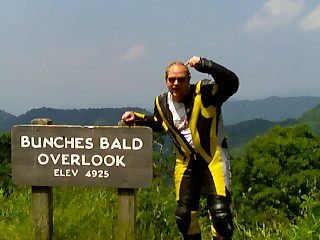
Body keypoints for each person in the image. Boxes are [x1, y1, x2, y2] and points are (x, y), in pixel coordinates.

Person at [121, 56, 239, 240]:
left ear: (189, 80)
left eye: (181, 79)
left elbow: (232, 83)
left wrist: (206, 65)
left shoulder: (205, 92)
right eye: (172, 79)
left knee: (220, 216)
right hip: (186, 162)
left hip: (213, 158)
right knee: (184, 216)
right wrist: (136, 118)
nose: (176, 83)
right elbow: (160, 124)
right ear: (166, 80)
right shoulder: (161, 103)